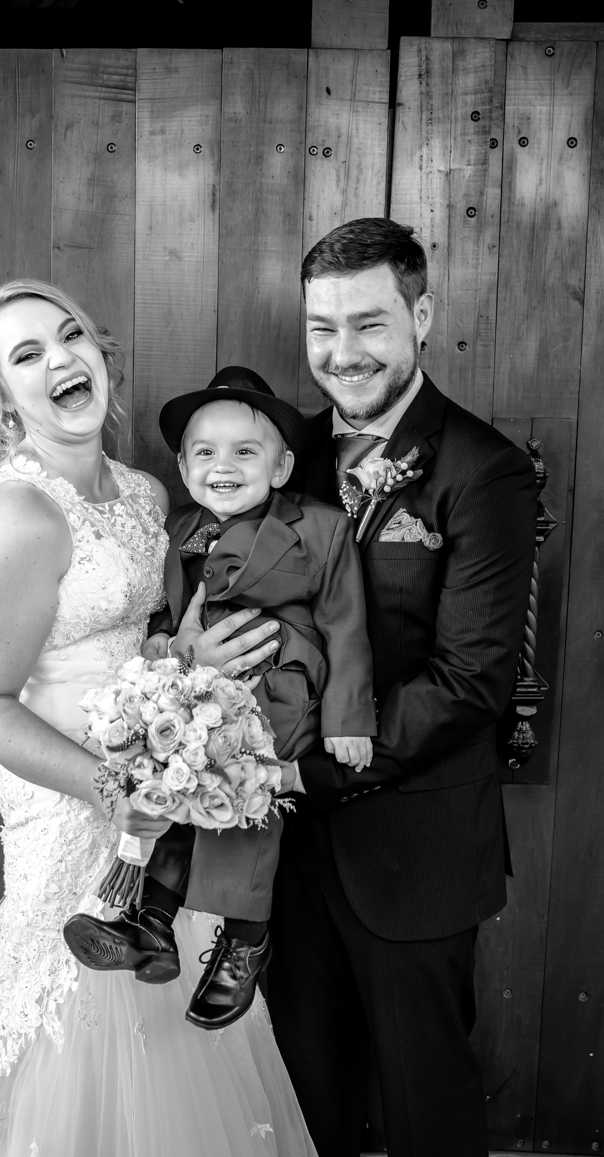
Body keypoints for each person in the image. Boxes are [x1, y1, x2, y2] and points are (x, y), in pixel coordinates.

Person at [0, 280, 335, 1157]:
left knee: (166, 995)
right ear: (4, 400)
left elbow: (134, 646)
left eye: (69, 335)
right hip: (74, 803)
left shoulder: (145, 494)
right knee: (70, 1013)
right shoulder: (16, 517)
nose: (59, 359)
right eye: (26, 355)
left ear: (102, 357)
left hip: (160, 790)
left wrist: (184, 664)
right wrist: (113, 791)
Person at [264, 217, 538, 1157]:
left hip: (414, 852)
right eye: (321, 327)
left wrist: (308, 767)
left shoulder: (482, 470)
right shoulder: (283, 454)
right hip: (288, 855)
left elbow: (470, 681)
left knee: (428, 1120)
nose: (342, 353)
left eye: (369, 324)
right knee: (303, 1114)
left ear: (420, 317)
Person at [65, 366, 376, 1033]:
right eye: (205, 452)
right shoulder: (180, 529)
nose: (223, 466)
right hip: (195, 692)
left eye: (245, 451)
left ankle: (244, 941)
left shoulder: (320, 528)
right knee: (175, 792)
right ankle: (151, 924)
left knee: (245, 808)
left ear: (282, 466)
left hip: (278, 698)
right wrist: (162, 648)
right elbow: (164, 612)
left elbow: (346, 624)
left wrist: (347, 719)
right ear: (182, 467)